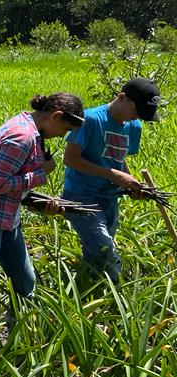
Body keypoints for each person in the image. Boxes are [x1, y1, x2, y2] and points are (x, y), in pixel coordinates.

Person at [0, 93, 85, 334]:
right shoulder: (22, 137)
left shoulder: (31, 128)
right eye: (65, 129)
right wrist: (41, 175)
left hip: (5, 216)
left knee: (24, 280)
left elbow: (11, 183)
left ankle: (17, 333)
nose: (63, 135)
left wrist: (40, 202)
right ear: (56, 115)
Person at [62, 77, 161, 284]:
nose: (137, 117)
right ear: (122, 97)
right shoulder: (90, 119)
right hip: (81, 195)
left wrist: (133, 184)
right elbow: (70, 159)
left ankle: (87, 286)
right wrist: (112, 174)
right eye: (136, 110)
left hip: (110, 196)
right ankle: (119, 293)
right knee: (104, 248)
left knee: (96, 252)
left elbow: (119, 161)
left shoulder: (134, 126)